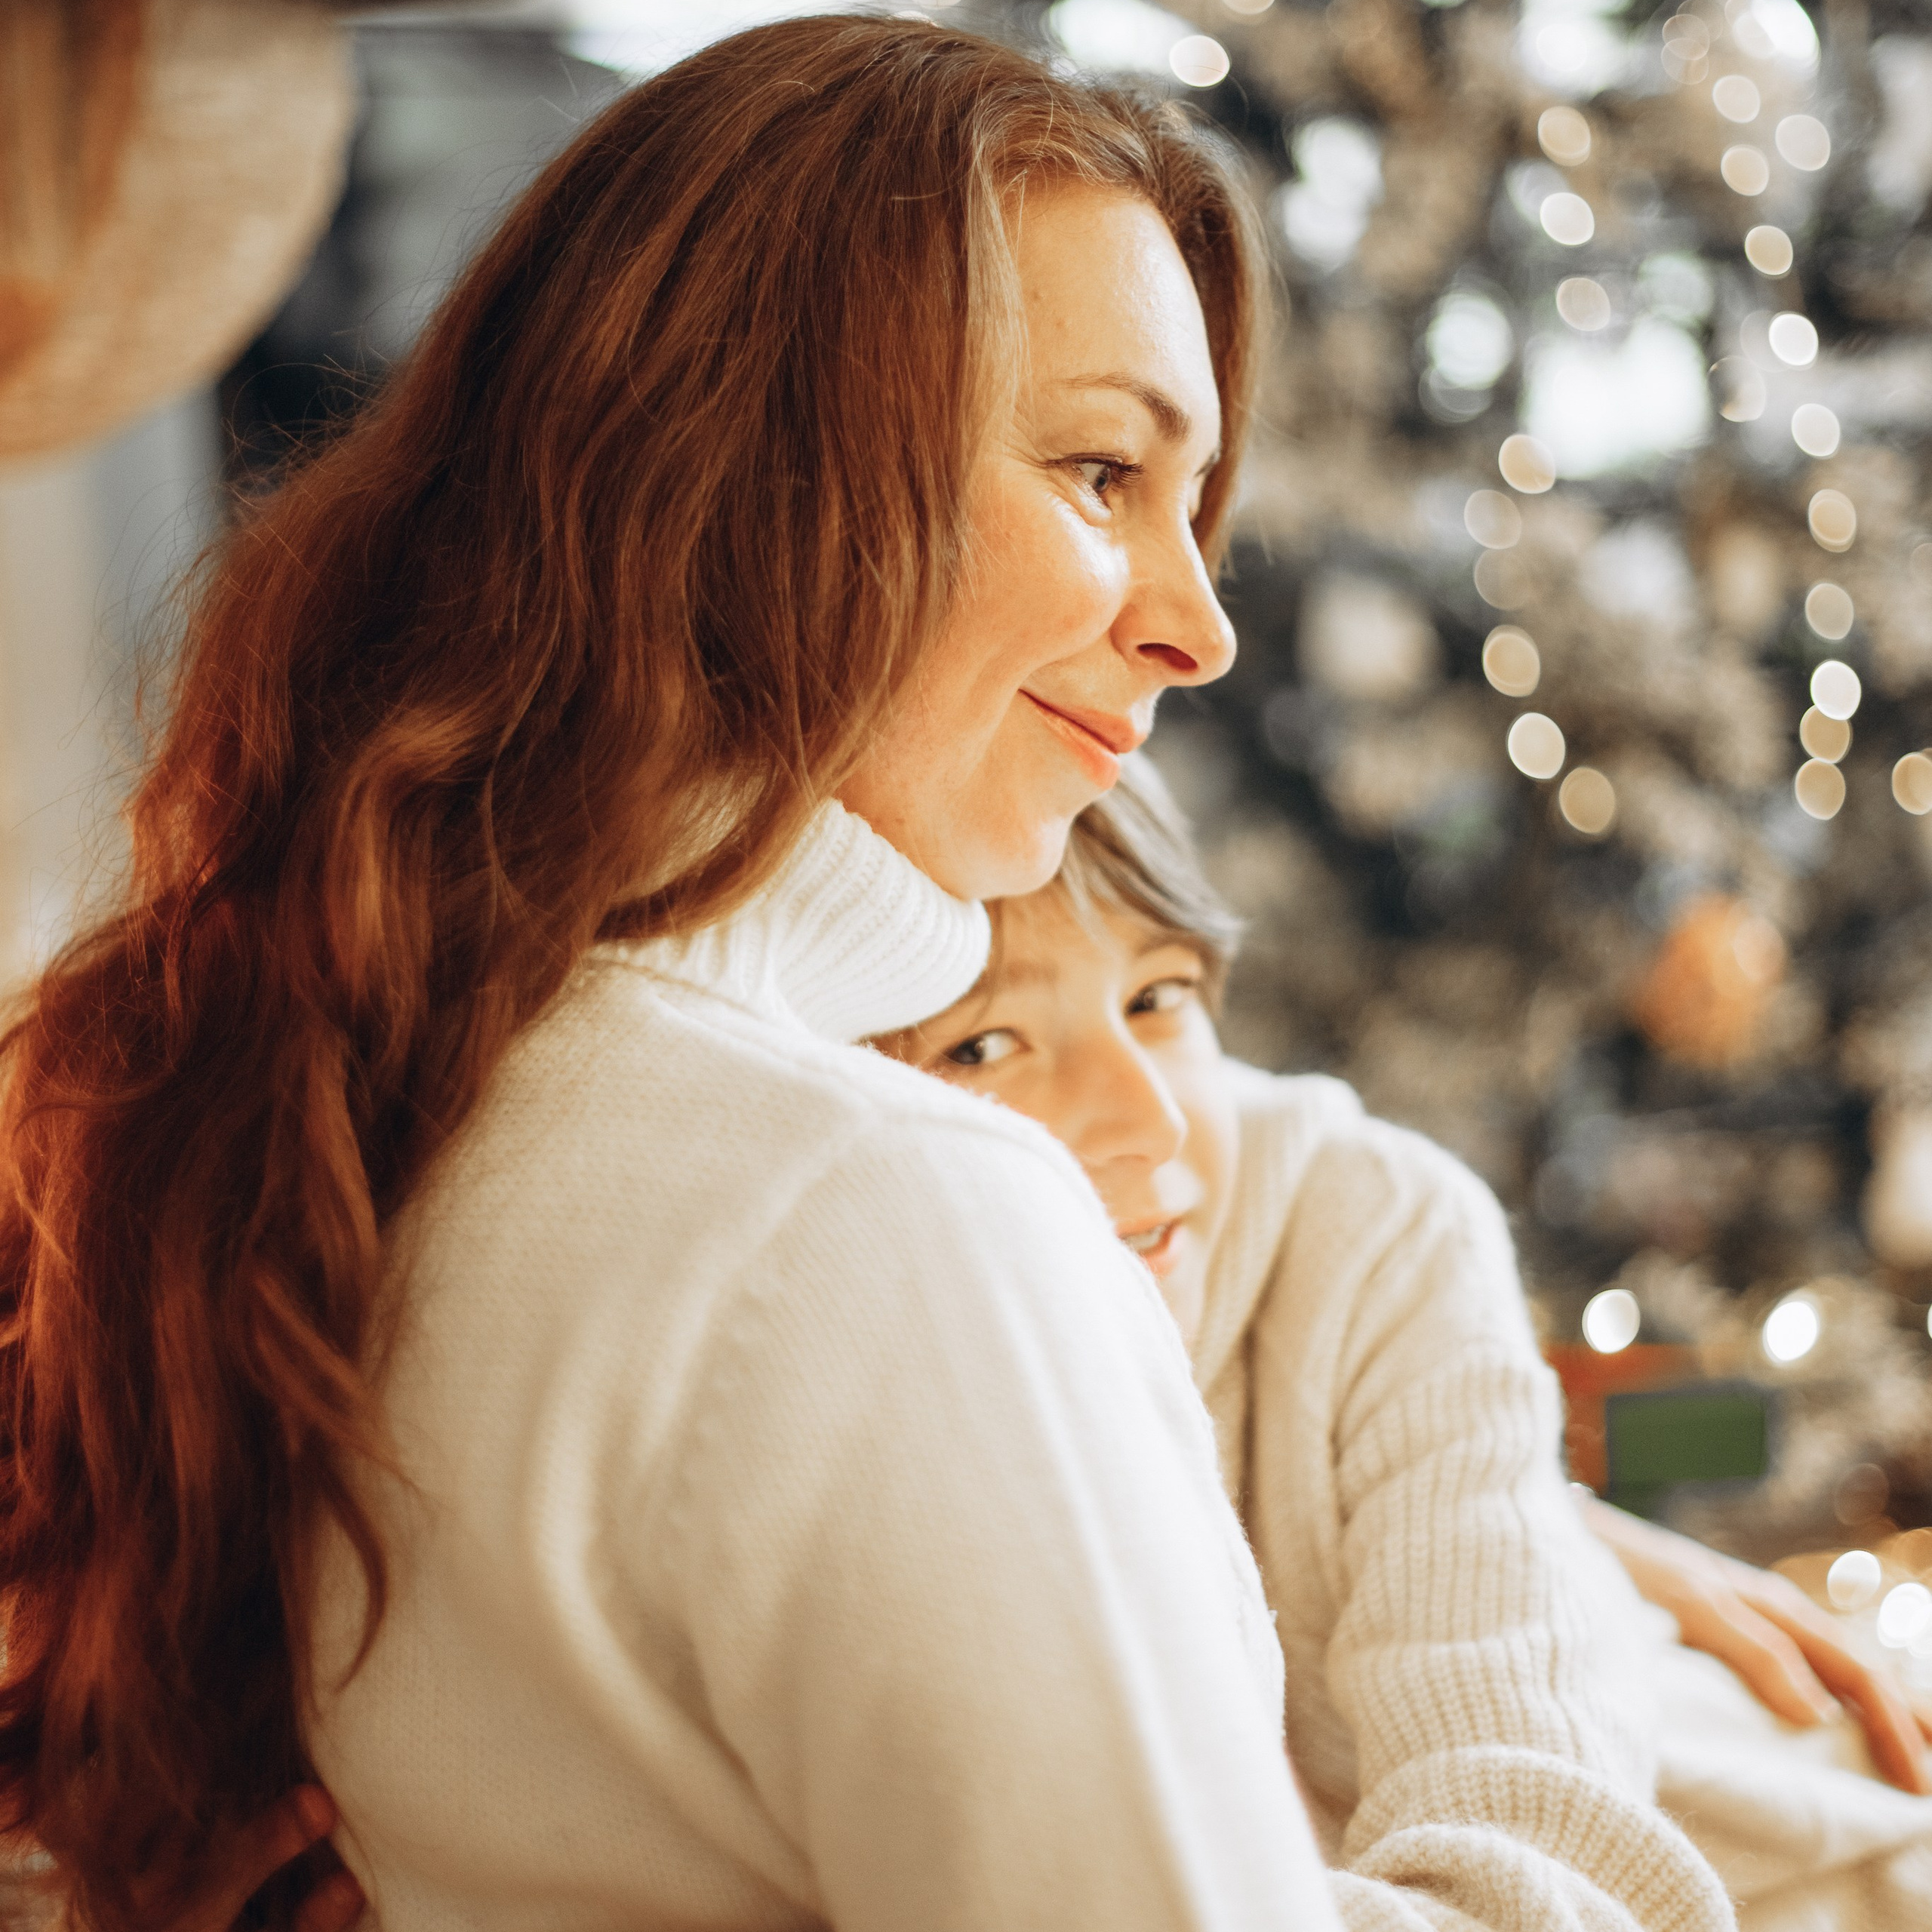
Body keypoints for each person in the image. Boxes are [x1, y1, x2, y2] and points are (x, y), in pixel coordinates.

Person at [0, 20, 1353, 1932]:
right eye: (1099, 471)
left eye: (1186, 502)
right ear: (757, 468)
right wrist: (1540, 1770)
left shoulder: (396, 1102)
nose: (1196, 625)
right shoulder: (882, 1214)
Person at [882, 754, 1932, 1927]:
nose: (1152, 1113)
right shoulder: (860, 1379)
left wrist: (1515, 1511)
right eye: (981, 1046)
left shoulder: (1371, 1223)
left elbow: (1549, 1867)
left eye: (1160, 996)